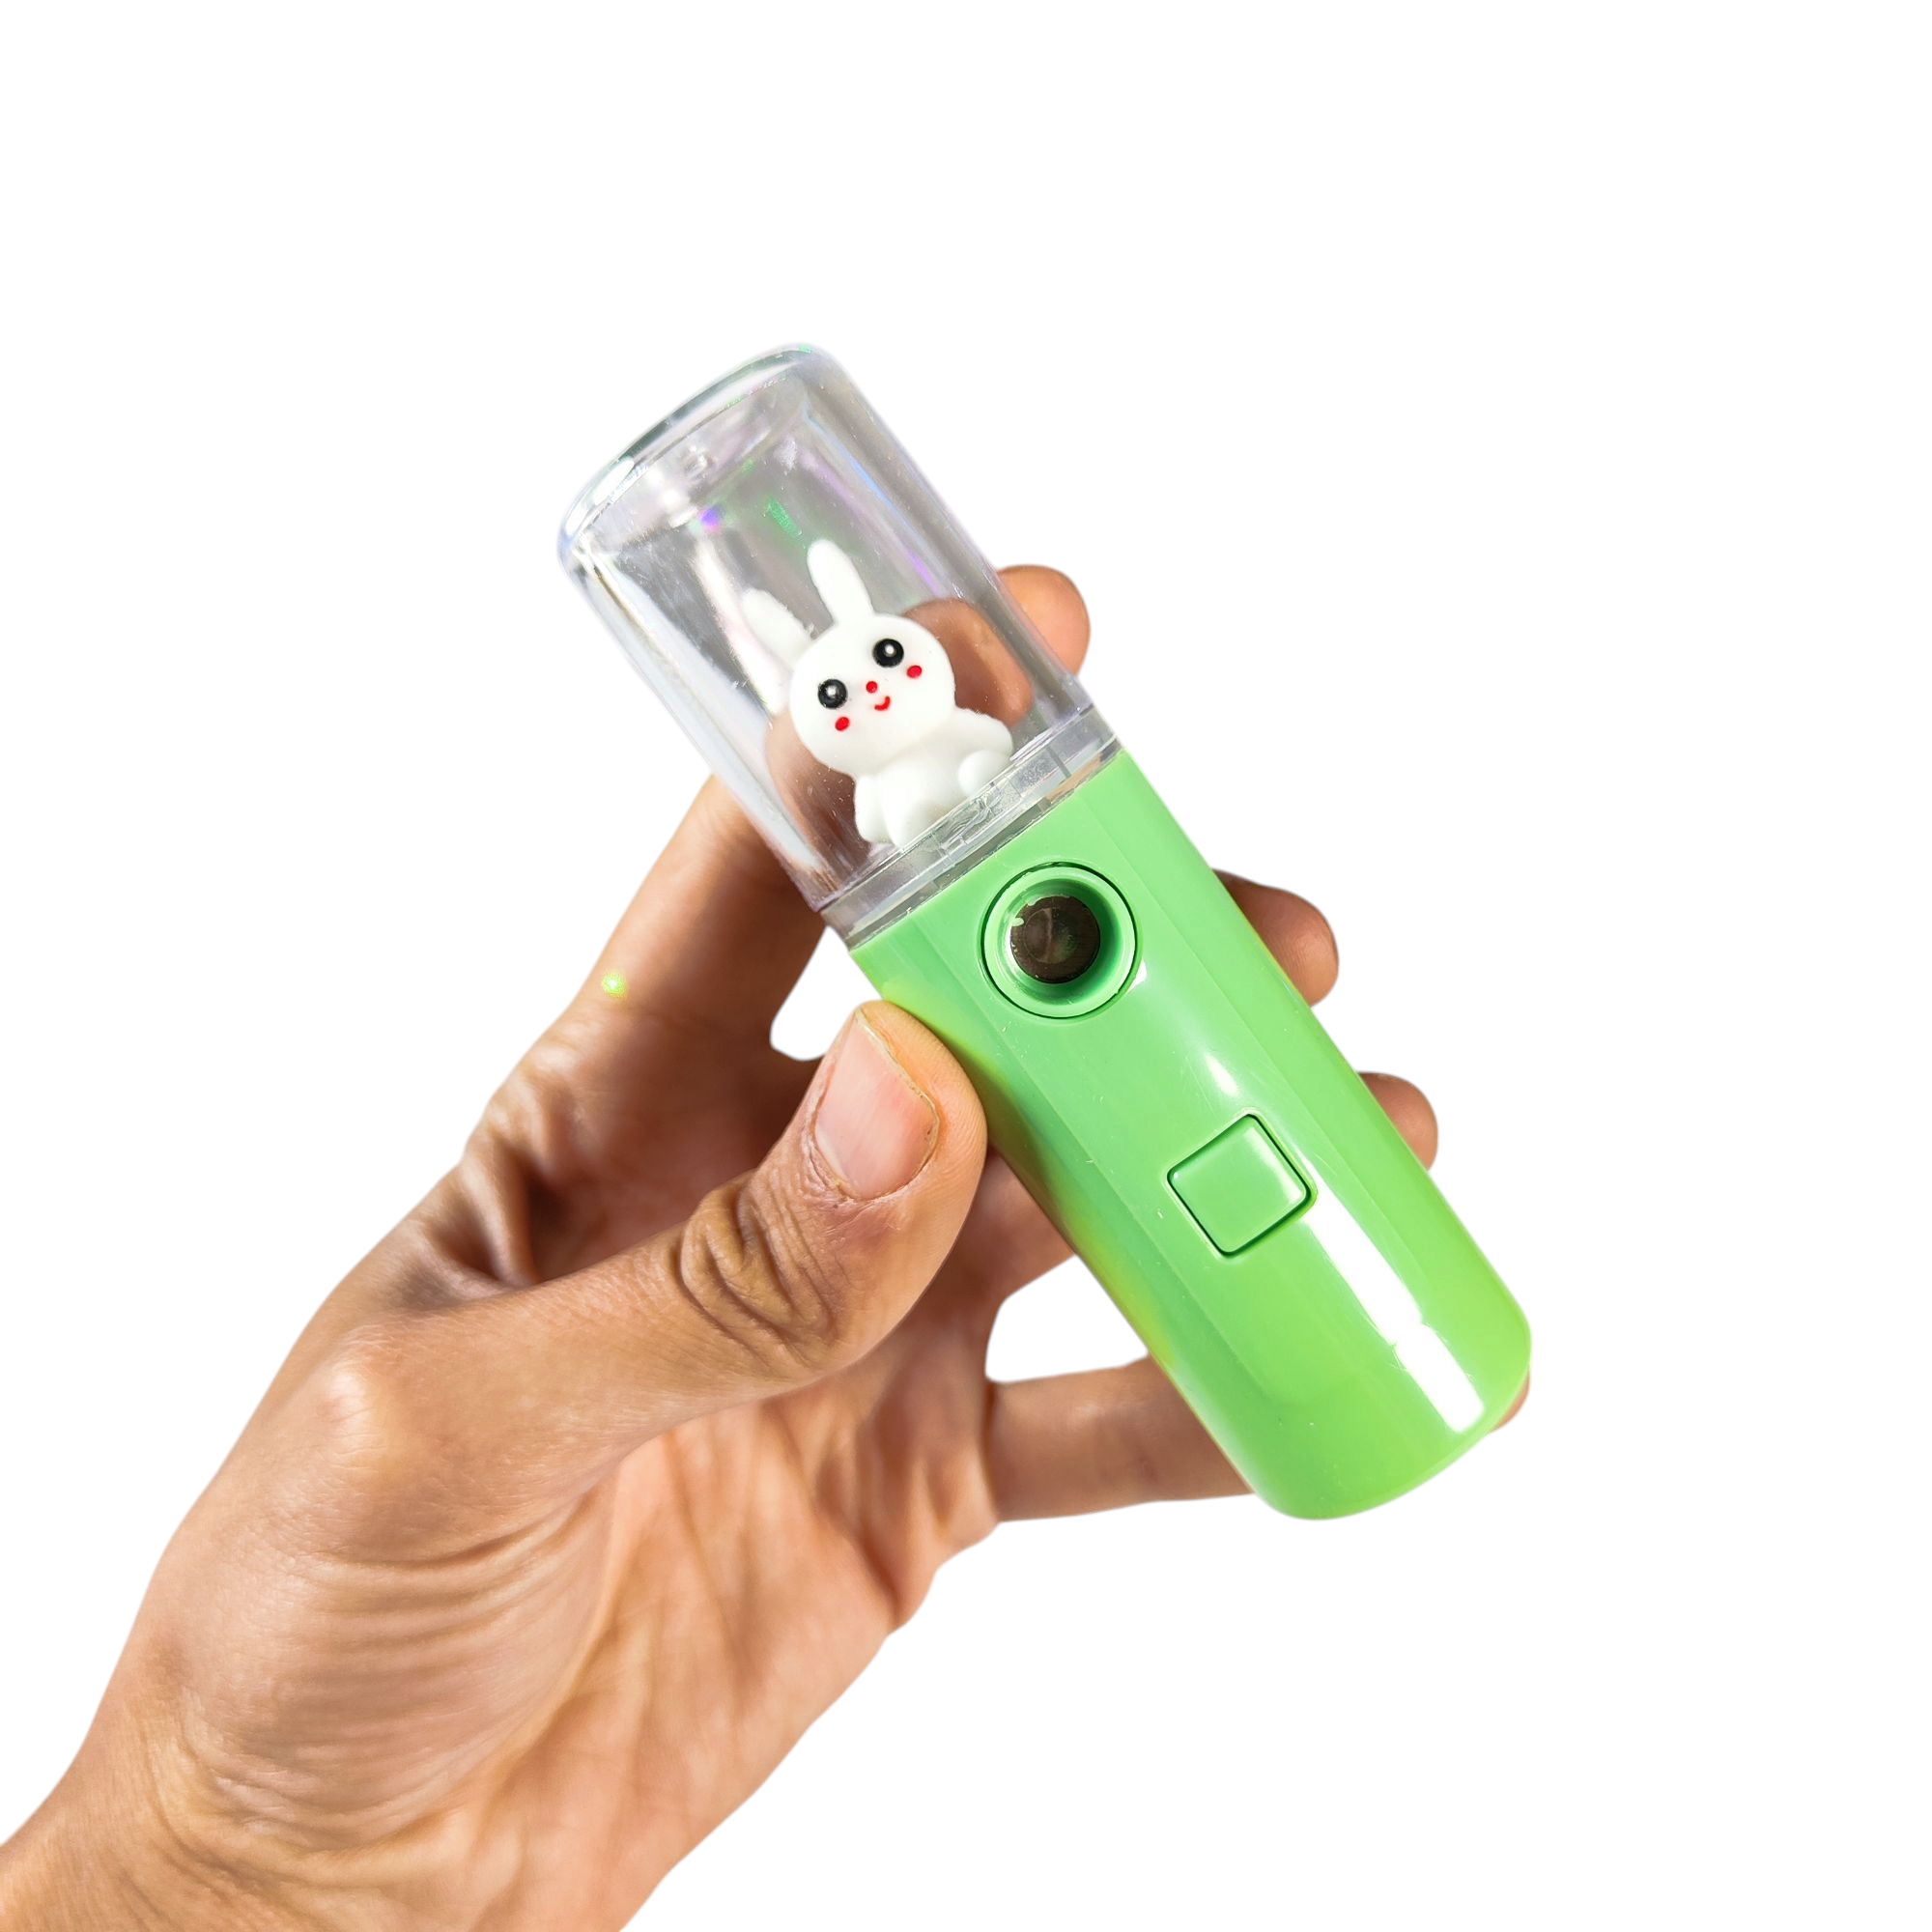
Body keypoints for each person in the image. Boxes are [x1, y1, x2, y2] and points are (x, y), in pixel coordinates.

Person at [0, 566, 1517, 1928]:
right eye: (842, 693)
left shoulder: (999, 760)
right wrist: (217, 1873)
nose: (869, 693)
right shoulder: (890, 832)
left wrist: (214, 1874)